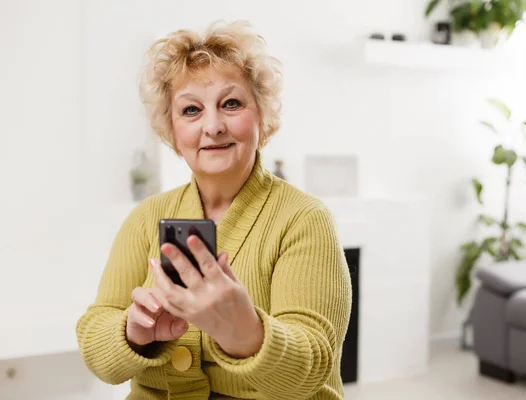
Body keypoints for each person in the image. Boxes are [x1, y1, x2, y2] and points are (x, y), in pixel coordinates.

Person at [76, 20, 352, 400]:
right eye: (191, 110)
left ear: (262, 116)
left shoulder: (303, 219)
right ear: (171, 130)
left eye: (232, 103)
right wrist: (133, 331)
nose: (213, 126)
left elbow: (310, 372)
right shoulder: (145, 218)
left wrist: (246, 331)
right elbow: (96, 341)